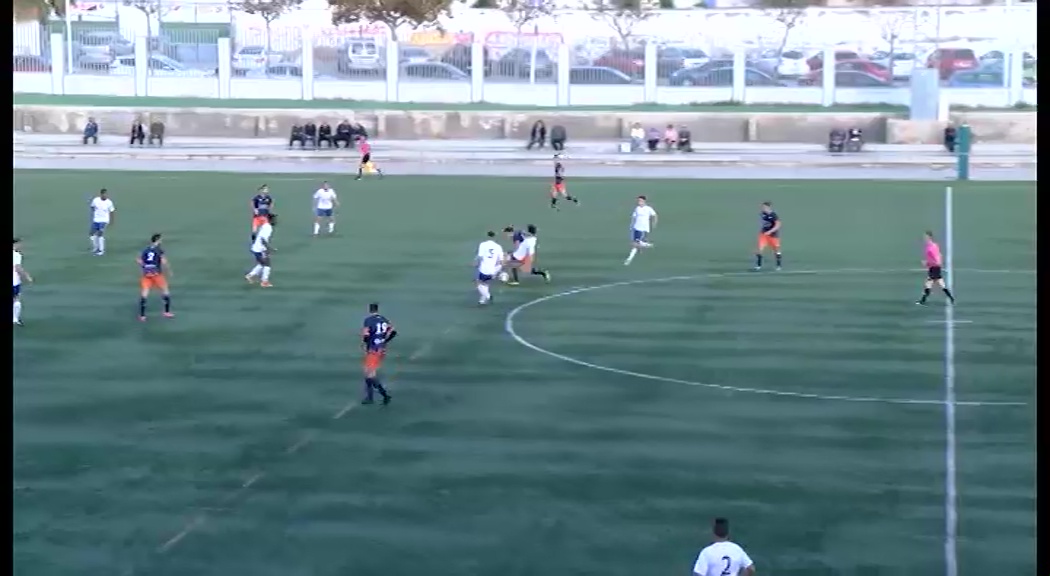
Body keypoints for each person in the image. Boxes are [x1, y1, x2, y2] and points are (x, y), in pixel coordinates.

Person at [691, 518, 755, 576]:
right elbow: (751, 568)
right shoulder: (736, 549)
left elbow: (699, 574)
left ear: (713, 532)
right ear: (728, 533)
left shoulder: (707, 552)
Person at [360, 302, 396, 405]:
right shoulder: (383, 319)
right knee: (368, 373)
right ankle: (370, 397)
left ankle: (384, 395)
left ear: (369, 310)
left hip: (373, 349)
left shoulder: (368, 320)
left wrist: (365, 344)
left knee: (370, 374)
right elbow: (393, 331)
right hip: (381, 349)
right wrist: (384, 341)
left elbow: (366, 334)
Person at [137, 233, 174, 322]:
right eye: (160, 239)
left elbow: (139, 260)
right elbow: (163, 261)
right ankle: (166, 312)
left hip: (147, 275)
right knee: (165, 292)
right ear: (157, 240)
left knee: (144, 294)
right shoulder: (159, 250)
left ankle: (142, 316)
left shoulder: (146, 249)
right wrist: (169, 270)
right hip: (157, 274)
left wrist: (145, 267)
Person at [917, 230, 956, 305]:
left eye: (925, 236)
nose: (924, 238)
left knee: (929, 284)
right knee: (940, 284)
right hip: (933, 268)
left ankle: (923, 301)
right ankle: (951, 299)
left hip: (935, 268)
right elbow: (939, 256)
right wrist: (928, 263)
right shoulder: (931, 246)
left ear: (929, 237)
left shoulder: (932, 247)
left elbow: (938, 261)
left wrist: (927, 263)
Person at [245, 213, 276, 288]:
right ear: (270, 220)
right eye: (274, 219)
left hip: (258, 248)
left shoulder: (265, 226)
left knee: (262, 264)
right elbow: (263, 239)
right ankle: (264, 281)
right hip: (259, 249)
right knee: (267, 264)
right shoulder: (268, 228)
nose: (275, 221)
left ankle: (250, 275)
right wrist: (268, 248)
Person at [624, 195, 657, 266]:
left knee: (635, 244)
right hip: (636, 228)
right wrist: (631, 225)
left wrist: (654, 223)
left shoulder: (648, 209)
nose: (639, 202)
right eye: (638, 201)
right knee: (636, 243)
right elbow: (634, 217)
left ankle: (630, 258)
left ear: (644, 201)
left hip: (643, 229)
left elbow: (654, 215)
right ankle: (644, 245)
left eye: (640, 201)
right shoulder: (637, 208)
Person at [475, 231, 504, 305]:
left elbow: (480, 257)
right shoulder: (498, 247)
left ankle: (487, 296)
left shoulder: (483, 244)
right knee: (486, 283)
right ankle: (483, 298)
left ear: (487, 236)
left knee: (479, 283)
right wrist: (498, 271)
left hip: (484, 269)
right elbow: (501, 261)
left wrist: (476, 264)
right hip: (493, 269)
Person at [753, 201, 782, 271]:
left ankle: (778, 265)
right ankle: (758, 266)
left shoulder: (774, 215)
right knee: (759, 249)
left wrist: (770, 231)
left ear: (768, 207)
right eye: (762, 207)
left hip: (773, 236)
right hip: (763, 234)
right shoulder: (762, 214)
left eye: (764, 207)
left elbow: (778, 225)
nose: (762, 208)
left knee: (776, 250)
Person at [89, 188, 116, 256]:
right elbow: (92, 207)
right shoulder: (96, 200)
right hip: (96, 220)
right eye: (104, 194)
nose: (105, 195)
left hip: (104, 220)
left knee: (100, 234)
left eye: (106, 194)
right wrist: (96, 213)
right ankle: (96, 248)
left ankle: (101, 250)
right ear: (101, 194)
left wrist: (111, 221)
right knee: (92, 234)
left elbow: (112, 211)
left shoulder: (109, 202)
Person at [13, 238, 32, 327]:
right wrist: (26, 277)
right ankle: (15, 319)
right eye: (19, 244)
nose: (21, 246)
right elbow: (18, 268)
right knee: (16, 299)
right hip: (14, 281)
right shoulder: (16, 255)